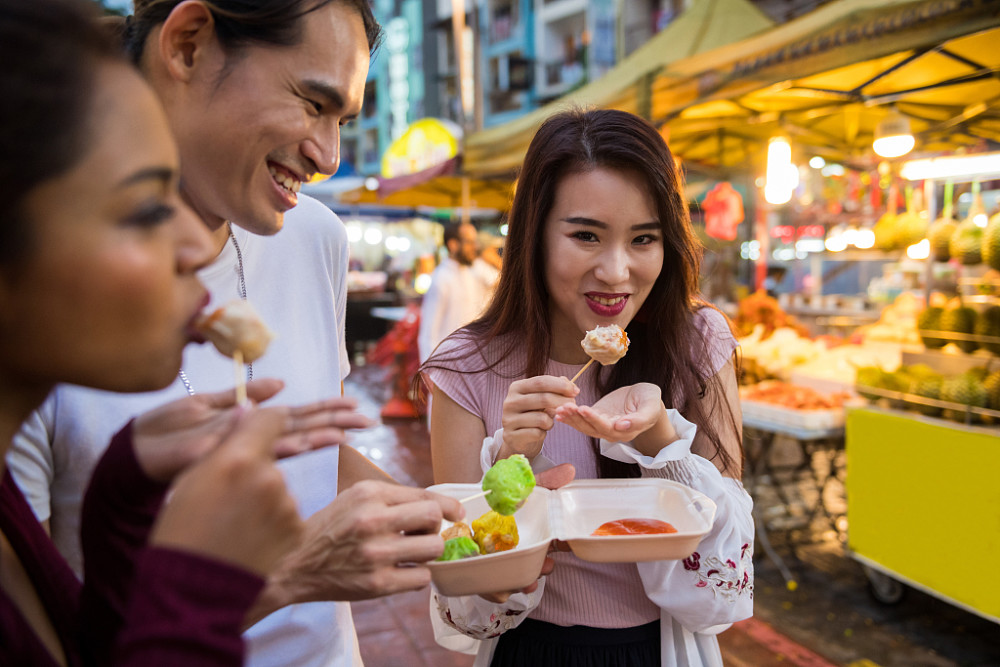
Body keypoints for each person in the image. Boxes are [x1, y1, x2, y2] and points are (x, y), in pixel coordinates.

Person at [9, 2, 464, 666]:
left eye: (344, 120)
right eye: (142, 205)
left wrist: (449, 524)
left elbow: (314, 454)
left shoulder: (315, 238)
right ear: (188, 46)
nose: (329, 157)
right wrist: (281, 574)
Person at [420, 109, 754, 666]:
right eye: (585, 236)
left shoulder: (696, 343)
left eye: (643, 238)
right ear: (535, 235)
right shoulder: (466, 366)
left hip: (664, 650)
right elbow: (466, 606)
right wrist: (508, 468)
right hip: (530, 652)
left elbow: (727, 582)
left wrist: (660, 444)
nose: (617, 272)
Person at [418, 221, 499, 364]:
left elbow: (503, 284)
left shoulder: (474, 268)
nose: (475, 247)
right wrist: (428, 369)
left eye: (475, 242)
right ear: (453, 245)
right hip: (449, 363)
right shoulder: (441, 278)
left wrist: (495, 260)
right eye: (469, 242)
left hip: (474, 360)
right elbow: (428, 332)